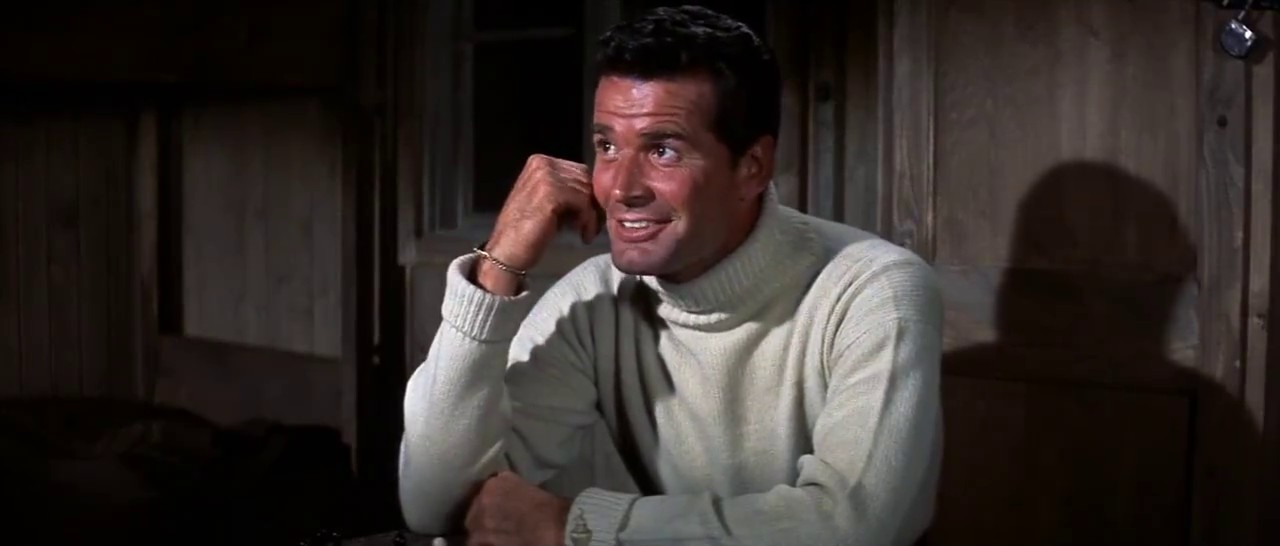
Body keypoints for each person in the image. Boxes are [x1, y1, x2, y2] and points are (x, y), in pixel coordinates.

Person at [398, 5, 943, 545]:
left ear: (752, 167)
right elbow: (433, 503)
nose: (620, 188)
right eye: (607, 146)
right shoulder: (595, 300)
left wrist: (576, 526)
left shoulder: (875, 290)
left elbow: (851, 526)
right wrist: (497, 266)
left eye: (662, 150)